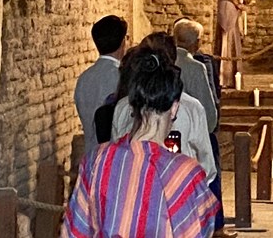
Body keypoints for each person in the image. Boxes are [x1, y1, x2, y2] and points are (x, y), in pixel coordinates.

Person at [63, 50, 219, 238]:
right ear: (174, 106)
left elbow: (74, 230)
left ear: (133, 103)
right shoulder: (184, 173)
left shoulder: (97, 160)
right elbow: (197, 231)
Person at [112, 33, 217, 183]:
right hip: (178, 186)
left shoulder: (122, 107)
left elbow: (116, 156)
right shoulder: (191, 108)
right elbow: (207, 167)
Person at [174, 19, 234, 238]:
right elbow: (208, 109)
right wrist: (211, 127)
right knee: (211, 176)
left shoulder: (169, 61)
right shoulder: (195, 67)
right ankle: (215, 225)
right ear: (196, 43)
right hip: (196, 133)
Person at [74, 15, 127, 154]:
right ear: (123, 42)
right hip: (114, 156)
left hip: (90, 153)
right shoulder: (122, 78)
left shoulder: (83, 78)